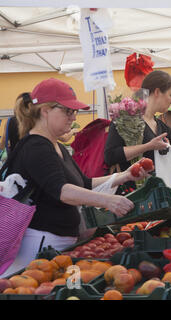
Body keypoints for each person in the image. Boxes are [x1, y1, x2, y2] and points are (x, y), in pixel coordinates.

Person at [1, 79, 148, 276]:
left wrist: (123, 176)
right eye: (67, 111)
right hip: (41, 246)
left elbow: (84, 183)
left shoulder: (55, 145)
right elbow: (62, 191)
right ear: (45, 110)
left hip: (61, 244)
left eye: (74, 112)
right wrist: (108, 200)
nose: (73, 117)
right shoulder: (36, 147)